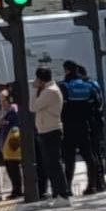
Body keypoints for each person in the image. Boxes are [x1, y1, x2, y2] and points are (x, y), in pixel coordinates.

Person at [59, 61, 105, 195]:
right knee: (90, 157)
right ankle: (93, 186)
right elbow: (96, 104)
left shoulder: (63, 86)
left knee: (69, 159)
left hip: (68, 127)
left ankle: (67, 188)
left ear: (67, 71)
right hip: (85, 126)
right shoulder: (88, 86)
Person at [32, 67, 70, 201]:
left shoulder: (49, 92)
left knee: (54, 163)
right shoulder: (49, 89)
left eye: (37, 79)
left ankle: (62, 194)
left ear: (41, 80)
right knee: (52, 164)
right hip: (47, 130)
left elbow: (33, 107)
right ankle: (58, 194)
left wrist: (34, 89)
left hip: (50, 130)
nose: (35, 81)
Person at [0, 94, 24, 199]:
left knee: (13, 168)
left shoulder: (14, 111)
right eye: (1, 101)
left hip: (12, 143)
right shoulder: (6, 112)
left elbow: (15, 127)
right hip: (6, 144)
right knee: (10, 168)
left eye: (4, 101)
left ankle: (17, 190)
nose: (2, 103)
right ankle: (15, 190)